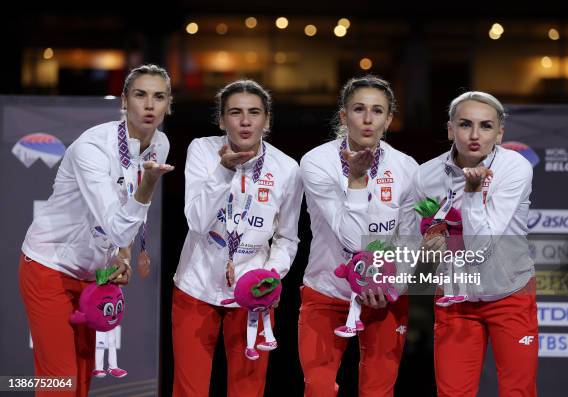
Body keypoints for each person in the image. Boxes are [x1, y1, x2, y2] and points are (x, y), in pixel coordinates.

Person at [19, 64, 174, 397]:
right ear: (124, 101)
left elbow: (124, 215)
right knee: (59, 380)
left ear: (169, 105)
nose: (149, 105)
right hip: (50, 265)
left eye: (159, 97)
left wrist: (124, 253)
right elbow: (117, 223)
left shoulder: (160, 144)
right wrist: (146, 187)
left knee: (83, 374)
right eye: (140, 95)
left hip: (94, 274)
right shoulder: (93, 147)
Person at [172, 80, 303, 397]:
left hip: (254, 291)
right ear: (221, 119)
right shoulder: (203, 150)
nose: (245, 121)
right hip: (196, 285)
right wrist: (222, 172)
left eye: (254, 112)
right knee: (189, 390)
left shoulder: (287, 169)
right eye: (235, 112)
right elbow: (196, 221)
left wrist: (270, 276)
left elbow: (287, 238)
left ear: (267, 120)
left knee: (248, 390)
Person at [298, 75, 419, 397]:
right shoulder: (316, 162)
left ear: (389, 119)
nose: (367, 119)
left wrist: (390, 283)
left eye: (377, 111)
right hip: (327, 291)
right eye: (359, 109)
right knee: (319, 390)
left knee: (379, 391)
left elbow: (409, 239)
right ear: (343, 116)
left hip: (385, 297)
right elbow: (350, 239)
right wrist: (356, 180)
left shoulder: (407, 168)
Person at [413, 91, 537, 396]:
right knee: (452, 393)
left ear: (500, 133)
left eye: (485, 126)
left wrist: (471, 193)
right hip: (455, 298)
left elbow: (482, 246)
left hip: (509, 293)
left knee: (517, 391)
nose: (474, 135)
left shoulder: (515, 168)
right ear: (450, 129)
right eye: (465, 124)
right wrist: (427, 244)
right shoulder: (425, 175)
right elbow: (416, 237)